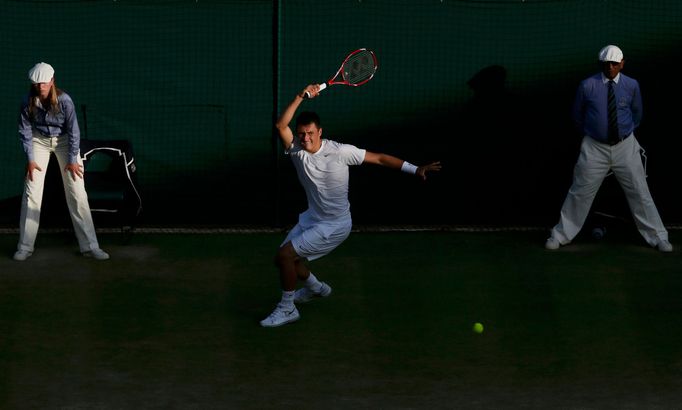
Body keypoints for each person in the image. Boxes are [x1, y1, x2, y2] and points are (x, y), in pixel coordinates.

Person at [261, 84, 442, 327]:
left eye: (310, 133)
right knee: (284, 260)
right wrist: (299, 96)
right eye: (301, 133)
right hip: (313, 218)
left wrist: (415, 169)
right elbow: (280, 126)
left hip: (335, 225)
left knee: (285, 255)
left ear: (320, 132)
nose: (305, 138)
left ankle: (287, 308)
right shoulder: (296, 151)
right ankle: (316, 288)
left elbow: (379, 158)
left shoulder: (341, 151)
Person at [545, 45, 672, 252]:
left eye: (615, 64)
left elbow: (637, 114)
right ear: (600, 64)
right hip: (594, 147)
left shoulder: (632, 85)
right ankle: (559, 235)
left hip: (625, 146)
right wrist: (597, 134)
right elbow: (577, 116)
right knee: (579, 192)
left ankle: (658, 237)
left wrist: (622, 134)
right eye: (607, 64)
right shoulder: (587, 85)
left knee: (640, 192)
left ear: (622, 64)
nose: (611, 68)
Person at [13, 62, 109, 261]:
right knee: (31, 190)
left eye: (45, 83)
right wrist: (30, 160)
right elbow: (25, 131)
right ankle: (24, 247)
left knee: (77, 191)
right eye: (37, 83)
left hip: (65, 142)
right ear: (33, 84)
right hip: (38, 141)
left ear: (52, 81)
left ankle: (90, 247)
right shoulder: (26, 101)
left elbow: (74, 131)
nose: (41, 87)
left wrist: (73, 159)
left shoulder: (65, 101)